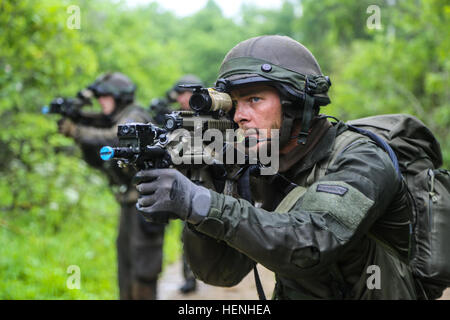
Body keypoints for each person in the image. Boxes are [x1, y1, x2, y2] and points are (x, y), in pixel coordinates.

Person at [134, 36, 417, 299]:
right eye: (234, 104)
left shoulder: (362, 158)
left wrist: (202, 203)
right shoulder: (260, 164)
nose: (240, 116)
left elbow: (311, 244)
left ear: (296, 103)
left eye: (254, 100)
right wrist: (202, 192)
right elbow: (221, 272)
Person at [58, 72, 165, 300]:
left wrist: (78, 131)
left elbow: (115, 138)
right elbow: (98, 158)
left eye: (106, 96)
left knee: (143, 264)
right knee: (125, 263)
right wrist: (79, 126)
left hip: (147, 202)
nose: (101, 101)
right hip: (130, 202)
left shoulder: (134, 115)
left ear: (120, 98)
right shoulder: (114, 118)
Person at [164, 74, 205, 294]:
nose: (180, 98)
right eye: (178, 94)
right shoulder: (176, 117)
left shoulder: (211, 117)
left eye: (184, 93)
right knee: (187, 235)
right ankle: (190, 277)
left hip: (208, 185)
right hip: (186, 187)